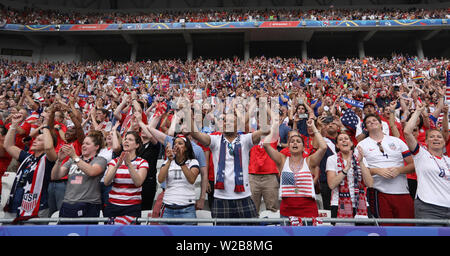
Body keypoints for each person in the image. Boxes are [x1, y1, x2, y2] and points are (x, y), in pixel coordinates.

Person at [190, 109, 269, 224]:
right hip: (221, 199)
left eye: (232, 121)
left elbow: (267, 130)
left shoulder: (245, 139)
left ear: (239, 125)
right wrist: (187, 110)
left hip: (244, 197)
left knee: (251, 233)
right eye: (225, 121)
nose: (227, 123)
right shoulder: (214, 140)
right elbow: (194, 133)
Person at [356, 113, 415, 225]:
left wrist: (399, 170)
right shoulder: (361, 145)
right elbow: (359, 172)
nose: (372, 122)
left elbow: (413, 165)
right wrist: (377, 171)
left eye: (374, 120)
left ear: (381, 124)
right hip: (379, 192)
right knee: (385, 228)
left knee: (408, 228)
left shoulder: (397, 141)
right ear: (366, 128)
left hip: (402, 191)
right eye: (368, 122)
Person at [262, 118, 327, 219]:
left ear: (303, 147)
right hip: (287, 210)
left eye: (298, 141)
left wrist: (313, 127)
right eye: (292, 141)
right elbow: (266, 144)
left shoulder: (309, 161)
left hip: (308, 209)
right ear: (288, 146)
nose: (295, 143)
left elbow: (323, 147)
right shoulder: (282, 160)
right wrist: (274, 127)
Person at [3, 113, 57, 222]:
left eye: (40, 140)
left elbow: (49, 147)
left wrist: (46, 126)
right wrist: (13, 125)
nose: (35, 140)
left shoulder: (49, 159)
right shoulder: (27, 157)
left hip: (36, 208)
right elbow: (8, 145)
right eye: (36, 138)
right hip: (16, 204)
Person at [403, 103, 450, 226]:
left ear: (444, 142)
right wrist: (418, 111)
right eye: (432, 137)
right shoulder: (421, 154)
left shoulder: (448, 160)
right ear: (427, 141)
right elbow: (407, 132)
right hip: (429, 208)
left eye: (439, 137)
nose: (436, 139)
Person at [51, 130, 107, 224]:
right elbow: (55, 176)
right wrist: (59, 161)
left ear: (96, 147)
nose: (83, 145)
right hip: (67, 203)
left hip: (88, 204)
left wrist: (74, 156)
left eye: (88, 144)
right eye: (83, 143)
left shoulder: (100, 160)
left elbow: (92, 171)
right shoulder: (73, 160)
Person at [103, 131, 149, 225]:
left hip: (132, 208)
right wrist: (117, 166)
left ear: (137, 145)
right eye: (125, 139)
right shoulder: (114, 161)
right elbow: (106, 182)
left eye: (130, 139)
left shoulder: (142, 162)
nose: (126, 141)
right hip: (113, 207)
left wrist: (129, 165)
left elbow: (138, 182)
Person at [326, 133, 373, 224]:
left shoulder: (361, 159)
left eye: (346, 138)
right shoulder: (332, 159)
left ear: (351, 143)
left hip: (361, 204)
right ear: (337, 145)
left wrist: (361, 163)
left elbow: (369, 184)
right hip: (339, 204)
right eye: (340, 139)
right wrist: (345, 169)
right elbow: (331, 185)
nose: (344, 140)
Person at [158, 135, 200, 224]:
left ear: (186, 148)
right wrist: (169, 160)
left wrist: (181, 162)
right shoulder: (167, 162)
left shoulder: (193, 162)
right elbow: (160, 179)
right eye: (175, 144)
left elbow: (191, 179)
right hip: (168, 208)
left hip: (187, 209)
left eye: (180, 143)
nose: (176, 146)